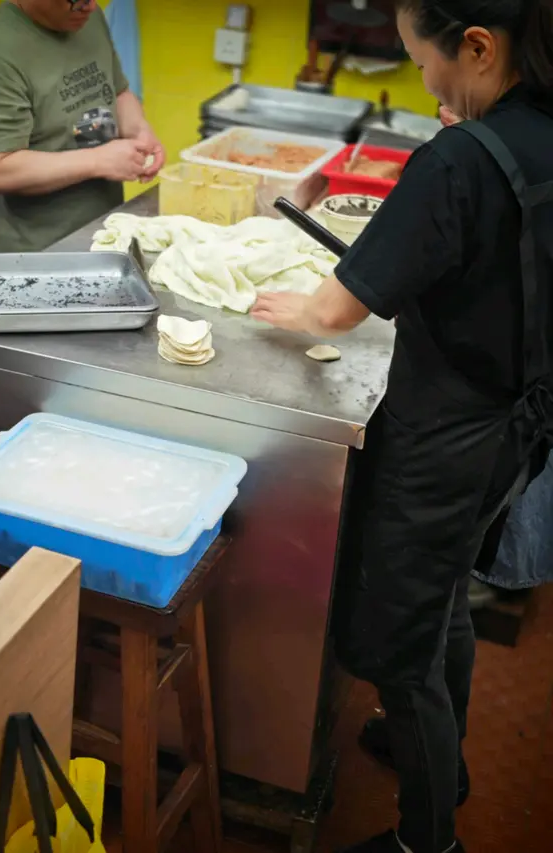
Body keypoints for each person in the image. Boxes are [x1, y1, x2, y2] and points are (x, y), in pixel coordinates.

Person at [252, 2, 553, 852]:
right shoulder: (535, 133)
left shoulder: (459, 159)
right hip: (514, 427)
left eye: (424, 63)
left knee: (397, 639)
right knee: (445, 591)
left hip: (446, 437)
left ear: (478, 47)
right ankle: (441, 766)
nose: (427, 86)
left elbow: (336, 309)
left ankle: (428, 837)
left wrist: (293, 307)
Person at [0, 0, 164, 253]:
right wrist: (98, 161)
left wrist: (139, 130)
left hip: (100, 235)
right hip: (36, 254)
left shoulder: (88, 18)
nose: (88, 6)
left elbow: (117, 91)